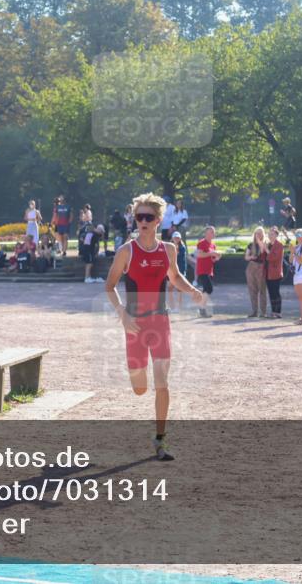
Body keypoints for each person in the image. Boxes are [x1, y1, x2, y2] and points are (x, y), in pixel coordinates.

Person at [105, 192, 205, 462]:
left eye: (148, 217)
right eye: (139, 217)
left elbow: (175, 276)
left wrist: (192, 290)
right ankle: (136, 373)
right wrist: (122, 313)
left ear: (158, 220)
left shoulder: (168, 250)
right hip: (134, 325)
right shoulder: (126, 251)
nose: (143, 222)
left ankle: (160, 439)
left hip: (160, 322)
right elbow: (110, 286)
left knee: (162, 383)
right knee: (140, 388)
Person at [194, 226, 221, 318]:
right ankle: (201, 308)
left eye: (213, 232)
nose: (212, 234)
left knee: (207, 289)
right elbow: (199, 255)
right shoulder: (201, 243)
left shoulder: (213, 245)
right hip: (202, 270)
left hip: (209, 270)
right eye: (210, 232)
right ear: (205, 233)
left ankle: (201, 309)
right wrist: (211, 253)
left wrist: (217, 257)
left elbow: (212, 259)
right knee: (209, 288)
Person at [244, 226, 269, 318]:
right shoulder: (251, 245)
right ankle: (254, 311)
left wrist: (259, 241)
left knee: (262, 290)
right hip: (251, 267)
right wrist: (251, 257)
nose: (258, 235)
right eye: (256, 233)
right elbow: (246, 257)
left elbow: (262, 251)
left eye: (260, 233)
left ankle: (263, 312)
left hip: (261, 267)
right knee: (252, 290)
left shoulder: (266, 243)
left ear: (263, 234)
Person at [265, 227, 285, 319]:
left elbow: (274, 258)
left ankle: (278, 312)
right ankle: (273, 312)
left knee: (276, 292)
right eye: (269, 234)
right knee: (271, 293)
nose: (270, 236)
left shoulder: (279, 245)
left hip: (276, 273)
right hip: (268, 273)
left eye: (272, 234)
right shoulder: (268, 244)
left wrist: (266, 250)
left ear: (276, 235)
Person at [167, 231, 188, 312]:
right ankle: (172, 307)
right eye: (175, 237)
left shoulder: (182, 247)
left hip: (180, 271)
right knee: (170, 288)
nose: (176, 239)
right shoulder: (170, 246)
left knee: (179, 289)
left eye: (178, 237)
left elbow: (177, 254)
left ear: (180, 238)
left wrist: (174, 247)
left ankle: (179, 307)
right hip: (171, 270)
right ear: (172, 238)